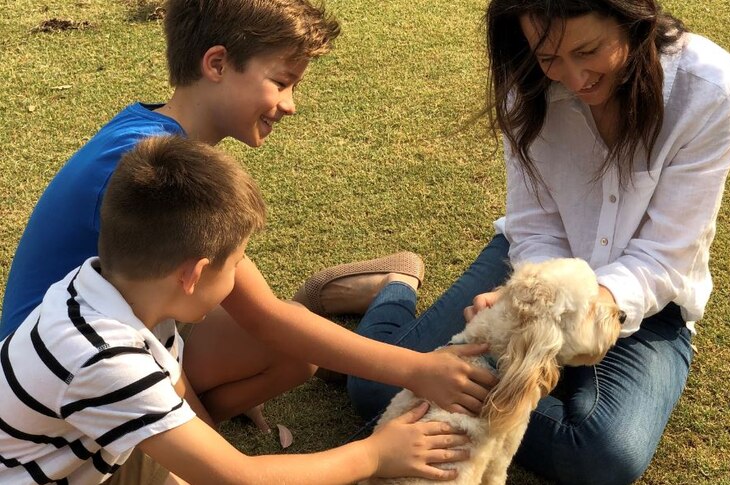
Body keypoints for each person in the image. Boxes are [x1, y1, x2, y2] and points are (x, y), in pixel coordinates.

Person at [0, 0, 496, 430]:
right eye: (281, 82)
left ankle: (195, 424)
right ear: (217, 63)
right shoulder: (146, 168)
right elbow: (262, 316)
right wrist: (415, 369)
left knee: (297, 348)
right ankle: (187, 431)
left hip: (125, 331)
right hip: (56, 373)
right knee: (275, 346)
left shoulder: (158, 137)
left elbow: (266, 317)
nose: (290, 105)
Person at [344, 0, 730, 483]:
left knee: (603, 457)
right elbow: (534, 224)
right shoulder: (529, 85)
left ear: (634, 19)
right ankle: (393, 284)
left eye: (588, 50)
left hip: (646, 298)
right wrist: (525, 302)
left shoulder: (709, 88)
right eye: (549, 58)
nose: (574, 78)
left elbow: (665, 254)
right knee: (376, 387)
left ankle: (535, 381)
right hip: (534, 274)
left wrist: (586, 311)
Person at [0, 136, 472, 485]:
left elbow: (169, 378)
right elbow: (239, 478)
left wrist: (198, 435)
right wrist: (374, 454)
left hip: (87, 454)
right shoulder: (104, 359)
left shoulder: (109, 285)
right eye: (237, 261)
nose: (239, 275)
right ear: (193, 274)